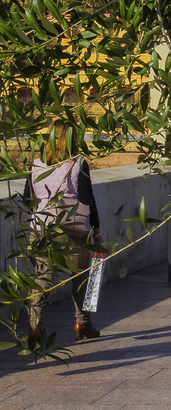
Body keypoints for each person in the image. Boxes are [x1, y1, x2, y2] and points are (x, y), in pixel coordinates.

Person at [26, 126, 101, 346]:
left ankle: (34, 326)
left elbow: (26, 197)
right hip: (72, 228)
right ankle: (83, 322)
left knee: (42, 278)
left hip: (41, 227)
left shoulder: (36, 164)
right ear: (72, 138)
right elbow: (88, 199)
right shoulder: (78, 163)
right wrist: (97, 229)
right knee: (81, 276)